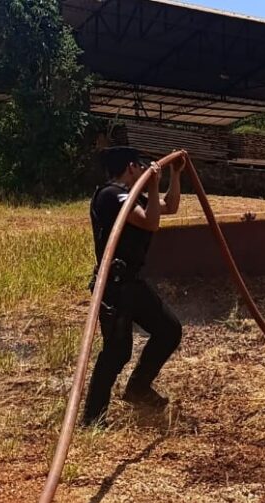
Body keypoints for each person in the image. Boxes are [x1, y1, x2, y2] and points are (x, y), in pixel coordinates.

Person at [81, 146, 187, 428]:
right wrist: (153, 184)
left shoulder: (130, 195)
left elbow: (169, 207)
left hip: (131, 283)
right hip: (113, 286)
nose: (145, 168)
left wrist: (174, 177)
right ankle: (93, 418)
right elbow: (151, 222)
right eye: (142, 165)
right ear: (131, 167)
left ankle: (138, 389)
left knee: (168, 330)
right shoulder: (110, 195)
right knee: (117, 352)